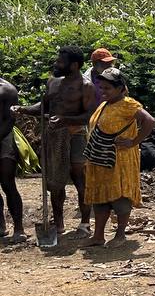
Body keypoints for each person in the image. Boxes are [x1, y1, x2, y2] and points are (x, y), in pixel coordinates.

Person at [14, 46, 95, 235]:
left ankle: (84, 223)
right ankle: (59, 223)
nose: (56, 64)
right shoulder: (53, 82)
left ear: (74, 65)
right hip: (54, 136)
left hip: (75, 135)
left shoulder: (85, 86)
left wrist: (66, 120)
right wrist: (24, 109)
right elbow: (44, 106)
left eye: (60, 62)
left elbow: (90, 115)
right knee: (55, 181)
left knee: (79, 178)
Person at [83, 68, 155, 246]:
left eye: (107, 88)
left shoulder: (128, 104)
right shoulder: (104, 104)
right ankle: (98, 236)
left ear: (120, 88)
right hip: (99, 160)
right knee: (100, 198)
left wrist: (133, 141)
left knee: (120, 198)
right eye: (102, 87)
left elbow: (149, 121)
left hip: (119, 161)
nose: (103, 91)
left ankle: (120, 235)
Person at [0, 75, 25, 241]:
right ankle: (0, 225)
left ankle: (19, 228)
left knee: (8, 184)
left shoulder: (7, 89)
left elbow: (9, 121)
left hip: (4, 138)